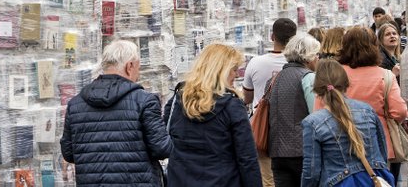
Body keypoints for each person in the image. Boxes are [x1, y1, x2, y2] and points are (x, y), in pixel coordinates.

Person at [60, 40, 171, 186]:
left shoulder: (76, 104)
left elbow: (68, 153)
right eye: (138, 67)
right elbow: (162, 149)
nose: (138, 74)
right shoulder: (145, 101)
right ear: (129, 66)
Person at [164, 44, 262, 187]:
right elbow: (247, 158)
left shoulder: (177, 101)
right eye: (234, 69)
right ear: (221, 71)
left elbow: (166, 141)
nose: (236, 75)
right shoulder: (232, 106)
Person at [301, 60, 394, 187]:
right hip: (375, 180)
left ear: (317, 89)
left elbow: (312, 172)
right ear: (346, 84)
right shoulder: (367, 111)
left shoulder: (313, 123)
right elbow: (382, 152)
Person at [336, 27, 408, 183]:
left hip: (342, 141)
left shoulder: (335, 75)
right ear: (374, 46)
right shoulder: (385, 75)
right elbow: (400, 111)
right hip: (379, 143)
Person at [243, 18, 297, 187]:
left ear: (272, 36)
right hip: (292, 131)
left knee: (267, 180)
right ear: (294, 38)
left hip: (263, 128)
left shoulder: (255, 63)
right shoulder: (299, 64)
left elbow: (247, 99)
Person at [268, 34, 321, 187]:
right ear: (308, 57)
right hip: (303, 151)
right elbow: (316, 116)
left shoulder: (275, 78)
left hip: (277, 151)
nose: (318, 58)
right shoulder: (308, 78)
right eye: (316, 54)